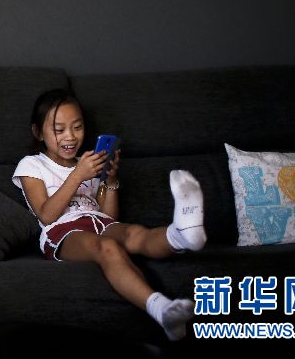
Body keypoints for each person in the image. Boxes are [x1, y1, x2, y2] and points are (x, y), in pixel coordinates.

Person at [12, 88, 206, 341]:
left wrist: (110, 180)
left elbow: (109, 216)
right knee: (108, 247)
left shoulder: (88, 163)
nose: (70, 136)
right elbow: (46, 215)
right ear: (38, 132)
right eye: (59, 130)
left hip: (99, 221)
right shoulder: (32, 165)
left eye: (77, 127)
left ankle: (182, 235)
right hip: (63, 231)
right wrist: (77, 175)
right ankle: (161, 309)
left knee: (134, 233)